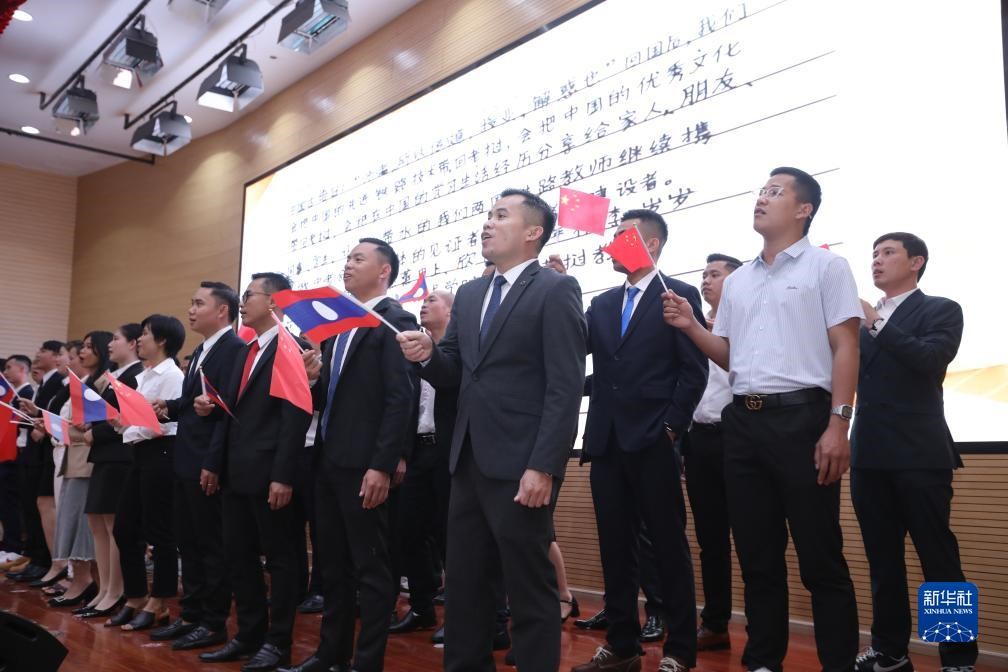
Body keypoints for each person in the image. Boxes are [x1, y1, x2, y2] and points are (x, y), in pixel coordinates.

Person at [662, 167, 861, 672]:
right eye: (761, 191)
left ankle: (840, 663)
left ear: (804, 209)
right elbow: (732, 357)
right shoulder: (740, 282)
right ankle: (762, 661)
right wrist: (691, 326)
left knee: (820, 558)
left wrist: (838, 424)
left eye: (775, 192)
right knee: (757, 558)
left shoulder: (827, 267)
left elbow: (846, 345)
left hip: (804, 421)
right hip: (743, 425)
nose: (762, 198)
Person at [398, 188, 587, 672]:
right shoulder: (471, 293)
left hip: (522, 463)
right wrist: (428, 356)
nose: (487, 223)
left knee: (528, 586)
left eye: (501, 215)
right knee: (464, 584)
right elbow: (454, 371)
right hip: (467, 459)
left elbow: (565, 387)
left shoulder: (556, 289)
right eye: (487, 215)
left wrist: (544, 466)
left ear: (533, 232)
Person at [557, 209, 708, 672]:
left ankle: (680, 650)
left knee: (667, 545)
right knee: (615, 547)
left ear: (653, 243)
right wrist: (559, 290)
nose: (612, 242)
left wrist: (671, 428)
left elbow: (694, 369)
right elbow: (572, 345)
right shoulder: (603, 304)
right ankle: (622, 645)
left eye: (623, 235)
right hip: (605, 441)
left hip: (654, 441)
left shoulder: (677, 294)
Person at [285, 238, 419, 672]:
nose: (347, 265)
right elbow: (332, 399)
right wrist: (312, 380)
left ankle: (367, 662)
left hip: (363, 466)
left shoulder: (394, 319)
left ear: (384, 271)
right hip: (328, 461)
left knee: (371, 570)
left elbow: (400, 398)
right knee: (333, 568)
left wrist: (382, 464)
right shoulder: (341, 327)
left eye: (358, 259)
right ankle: (331, 655)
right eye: (347, 258)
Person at [850, 233, 976, 672]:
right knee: (883, 561)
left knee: (938, 559)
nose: (877, 260)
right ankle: (890, 652)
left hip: (920, 455)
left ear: (916, 261)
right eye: (874, 254)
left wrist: (876, 324)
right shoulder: (858, 322)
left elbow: (929, 359)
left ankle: (957, 659)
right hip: (868, 455)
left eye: (888, 253)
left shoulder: (941, 309)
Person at [199, 273, 312, 672]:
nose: (243, 303)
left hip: (270, 474)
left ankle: (278, 643)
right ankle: (248, 635)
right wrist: (214, 463)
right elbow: (229, 413)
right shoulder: (246, 350)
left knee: (280, 560)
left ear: (275, 301)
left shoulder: (291, 347)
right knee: (239, 555)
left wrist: (283, 475)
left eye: (249, 295)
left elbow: (294, 418)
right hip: (236, 472)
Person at [150, 282, 245, 651]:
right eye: (191, 303)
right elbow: (196, 402)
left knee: (210, 547)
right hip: (185, 459)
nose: (190, 309)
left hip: (206, 463)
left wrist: (213, 463)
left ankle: (212, 622)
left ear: (222, 311)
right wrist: (171, 406)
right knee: (187, 543)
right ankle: (190, 615)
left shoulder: (234, 349)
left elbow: (229, 412)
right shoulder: (204, 348)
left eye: (198, 303)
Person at [108, 315, 185, 631]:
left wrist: (134, 423)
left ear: (162, 340)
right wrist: (122, 423)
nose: (139, 339)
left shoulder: (173, 376)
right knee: (125, 529)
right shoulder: (144, 376)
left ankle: (161, 600)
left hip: (162, 454)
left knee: (160, 531)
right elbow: (140, 422)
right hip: (140, 454)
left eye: (145, 334)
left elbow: (171, 422)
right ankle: (136, 595)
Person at [683, 253, 742, 651]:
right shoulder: (692, 325)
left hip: (736, 439)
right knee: (711, 539)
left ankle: (761, 634)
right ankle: (716, 623)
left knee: (753, 539)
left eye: (715, 274)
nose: (705, 280)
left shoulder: (747, 323)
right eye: (704, 274)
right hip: (699, 440)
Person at [390, 289, 455, 636]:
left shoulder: (460, 353)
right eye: (423, 300)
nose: (424, 304)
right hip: (417, 450)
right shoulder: (412, 352)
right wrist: (401, 452)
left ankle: (459, 616)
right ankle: (421, 608)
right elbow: (404, 405)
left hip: (448, 452)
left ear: (451, 312)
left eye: (433, 300)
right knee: (409, 531)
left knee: (450, 536)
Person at [74, 324, 143, 618]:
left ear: (133, 343)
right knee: (97, 524)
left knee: (114, 526)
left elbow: (128, 417)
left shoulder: (136, 374)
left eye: (116, 339)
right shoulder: (112, 375)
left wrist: (96, 431)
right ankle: (104, 588)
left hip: (120, 457)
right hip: (103, 456)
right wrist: (88, 425)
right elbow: (104, 415)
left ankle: (116, 590)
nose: (111, 345)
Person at [48, 333, 110, 609]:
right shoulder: (87, 381)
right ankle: (88, 582)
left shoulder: (105, 382)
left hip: (88, 460)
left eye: (88, 347)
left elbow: (99, 424)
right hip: (74, 457)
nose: (82, 352)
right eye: (82, 346)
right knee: (71, 520)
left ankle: (84, 581)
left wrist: (64, 427)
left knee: (82, 525)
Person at [7, 342, 64, 585]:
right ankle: (35, 557)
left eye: (43, 351)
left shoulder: (58, 383)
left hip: (46, 454)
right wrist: (35, 414)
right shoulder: (45, 383)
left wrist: (40, 419)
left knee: (41, 508)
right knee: (31, 509)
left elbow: (60, 417)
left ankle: (44, 560)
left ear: (56, 356)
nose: (37, 354)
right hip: (35, 453)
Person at [0, 355, 35, 572]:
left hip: (20, 455)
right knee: (5, 501)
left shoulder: (27, 394)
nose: (5, 371)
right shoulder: (14, 395)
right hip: (11, 454)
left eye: (9, 367)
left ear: (22, 369)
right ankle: (9, 545)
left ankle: (15, 546)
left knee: (12, 503)